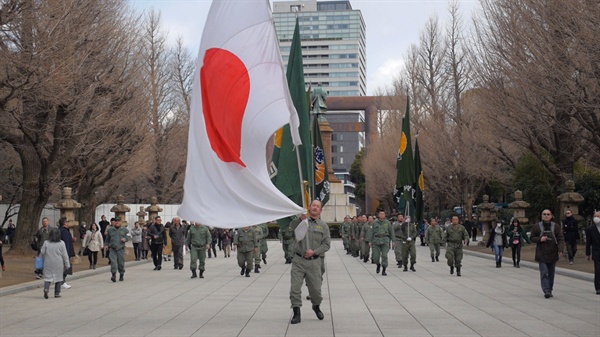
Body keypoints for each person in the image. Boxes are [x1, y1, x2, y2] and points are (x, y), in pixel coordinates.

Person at [289, 200, 331, 324]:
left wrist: (315, 251)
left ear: (320, 210)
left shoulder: (323, 226)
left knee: (316, 291)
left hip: (314, 262)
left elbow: (326, 245)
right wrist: (300, 219)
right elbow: (291, 229)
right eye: (313, 205)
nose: (315, 208)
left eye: (318, 206)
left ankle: (316, 306)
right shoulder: (302, 222)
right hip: (299, 260)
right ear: (309, 207)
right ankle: (296, 312)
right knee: (295, 288)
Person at [530, 209, 564, 298]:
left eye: (548, 214)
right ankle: (546, 290)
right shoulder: (537, 226)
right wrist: (540, 239)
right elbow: (532, 237)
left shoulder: (555, 226)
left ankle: (550, 289)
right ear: (542, 216)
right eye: (544, 214)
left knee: (551, 273)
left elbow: (560, 238)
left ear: (551, 216)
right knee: (544, 272)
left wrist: (560, 249)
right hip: (541, 253)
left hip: (553, 253)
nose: (546, 216)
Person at [40, 228, 70, 299]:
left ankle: (46, 289)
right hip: (58, 262)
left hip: (48, 262)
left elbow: (42, 252)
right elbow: (65, 255)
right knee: (59, 277)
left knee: (48, 277)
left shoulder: (46, 242)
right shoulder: (61, 243)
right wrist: (67, 264)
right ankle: (57, 292)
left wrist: (41, 259)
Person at [368, 210, 393, 275]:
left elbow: (391, 232)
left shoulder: (387, 223)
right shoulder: (375, 222)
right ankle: (378, 265)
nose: (382, 215)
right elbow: (371, 232)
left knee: (384, 255)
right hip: (376, 241)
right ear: (378, 215)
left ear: (385, 215)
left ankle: (384, 269)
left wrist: (393, 241)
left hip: (385, 240)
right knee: (375, 257)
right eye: (380, 214)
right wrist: (370, 241)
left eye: (383, 214)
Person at [105, 217, 129, 282]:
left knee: (121, 263)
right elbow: (107, 239)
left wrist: (125, 239)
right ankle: (113, 275)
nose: (117, 222)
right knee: (113, 262)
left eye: (118, 221)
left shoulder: (124, 229)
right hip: (113, 249)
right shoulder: (110, 230)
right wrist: (106, 245)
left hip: (121, 249)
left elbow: (128, 236)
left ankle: (121, 274)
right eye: (116, 221)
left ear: (121, 222)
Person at [585, 211, 600, 295]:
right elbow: (588, 242)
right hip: (596, 252)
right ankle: (598, 287)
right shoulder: (590, 229)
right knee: (597, 270)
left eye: (598, 216)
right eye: (595, 216)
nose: (596, 218)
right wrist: (588, 253)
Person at [58, 217, 75, 289]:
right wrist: (67, 253)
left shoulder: (60, 230)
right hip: (65, 252)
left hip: (62, 252)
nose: (68, 223)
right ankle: (62, 282)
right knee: (66, 267)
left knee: (64, 267)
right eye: (67, 222)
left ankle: (61, 281)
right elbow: (66, 243)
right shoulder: (64, 231)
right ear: (65, 223)